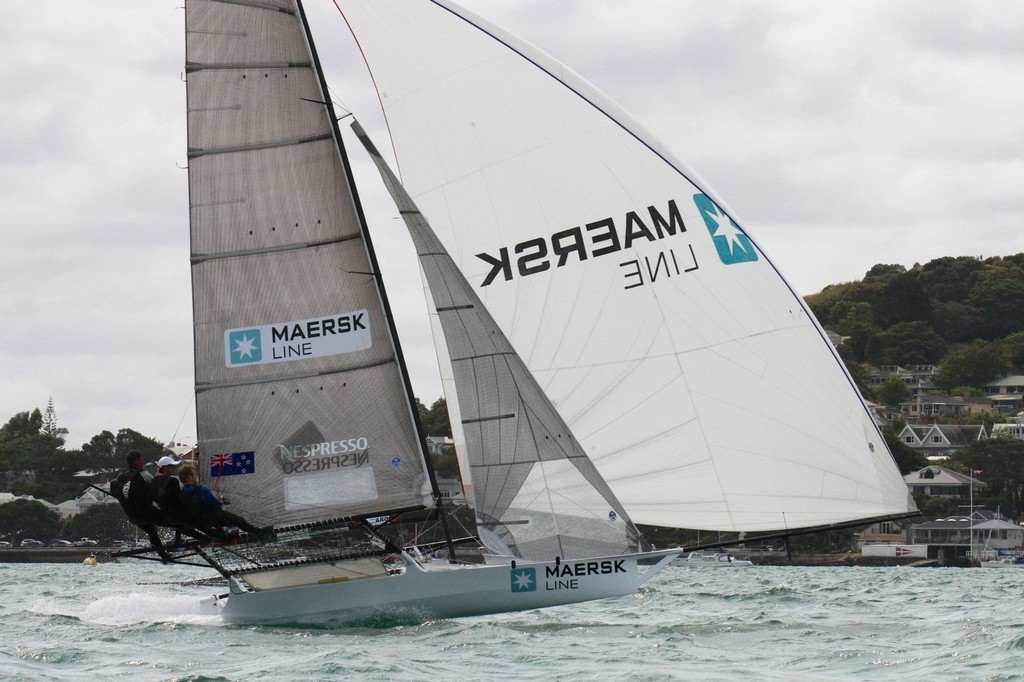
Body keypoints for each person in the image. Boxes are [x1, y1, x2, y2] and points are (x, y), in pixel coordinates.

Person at [109, 450, 173, 561]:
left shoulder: (121, 477)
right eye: (141, 459)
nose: (143, 462)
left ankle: (163, 555)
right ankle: (179, 542)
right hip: (146, 513)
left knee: (152, 531)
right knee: (175, 521)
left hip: (133, 517)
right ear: (136, 461)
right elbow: (156, 488)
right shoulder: (143, 474)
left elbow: (115, 489)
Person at [151, 455, 230, 544]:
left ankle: (180, 541)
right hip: (182, 515)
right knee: (205, 525)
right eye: (171, 466)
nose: (173, 468)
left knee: (189, 529)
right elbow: (181, 498)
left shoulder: (153, 481)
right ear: (165, 468)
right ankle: (226, 538)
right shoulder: (172, 481)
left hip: (169, 516)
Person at [177, 464, 272, 538]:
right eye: (194, 474)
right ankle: (259, 533)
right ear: (189, 477)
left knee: (220, 521)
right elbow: (217, 505)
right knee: (239, 520)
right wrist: (222, 500)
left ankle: (220, 532)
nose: (196, 476)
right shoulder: (202, 489)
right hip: (214, 517)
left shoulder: (181, 493)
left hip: (203, 523)